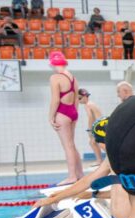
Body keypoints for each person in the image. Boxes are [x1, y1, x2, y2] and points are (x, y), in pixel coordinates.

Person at [48, 51, 83, 186]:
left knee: (67, 146)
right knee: (72, 144)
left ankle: (72, 176)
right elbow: (76, 99)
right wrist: (75, 114)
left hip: (62, 112)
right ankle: (79, 174)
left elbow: (55, 100)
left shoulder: (55, 78)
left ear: (52, 63)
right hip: (73, 112)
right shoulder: (72, 77)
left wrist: (50, 117)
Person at [78, 88, 105, 167]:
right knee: (94, 142)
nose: (79, 101)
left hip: (98, 125)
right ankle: (100, 160)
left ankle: (102, 160)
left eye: (79, 98)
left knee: (97, 143)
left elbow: (90, 117)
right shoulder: (91, 103)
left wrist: (89, 129)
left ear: (85, 96)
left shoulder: (88, 105)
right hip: (101, 124)